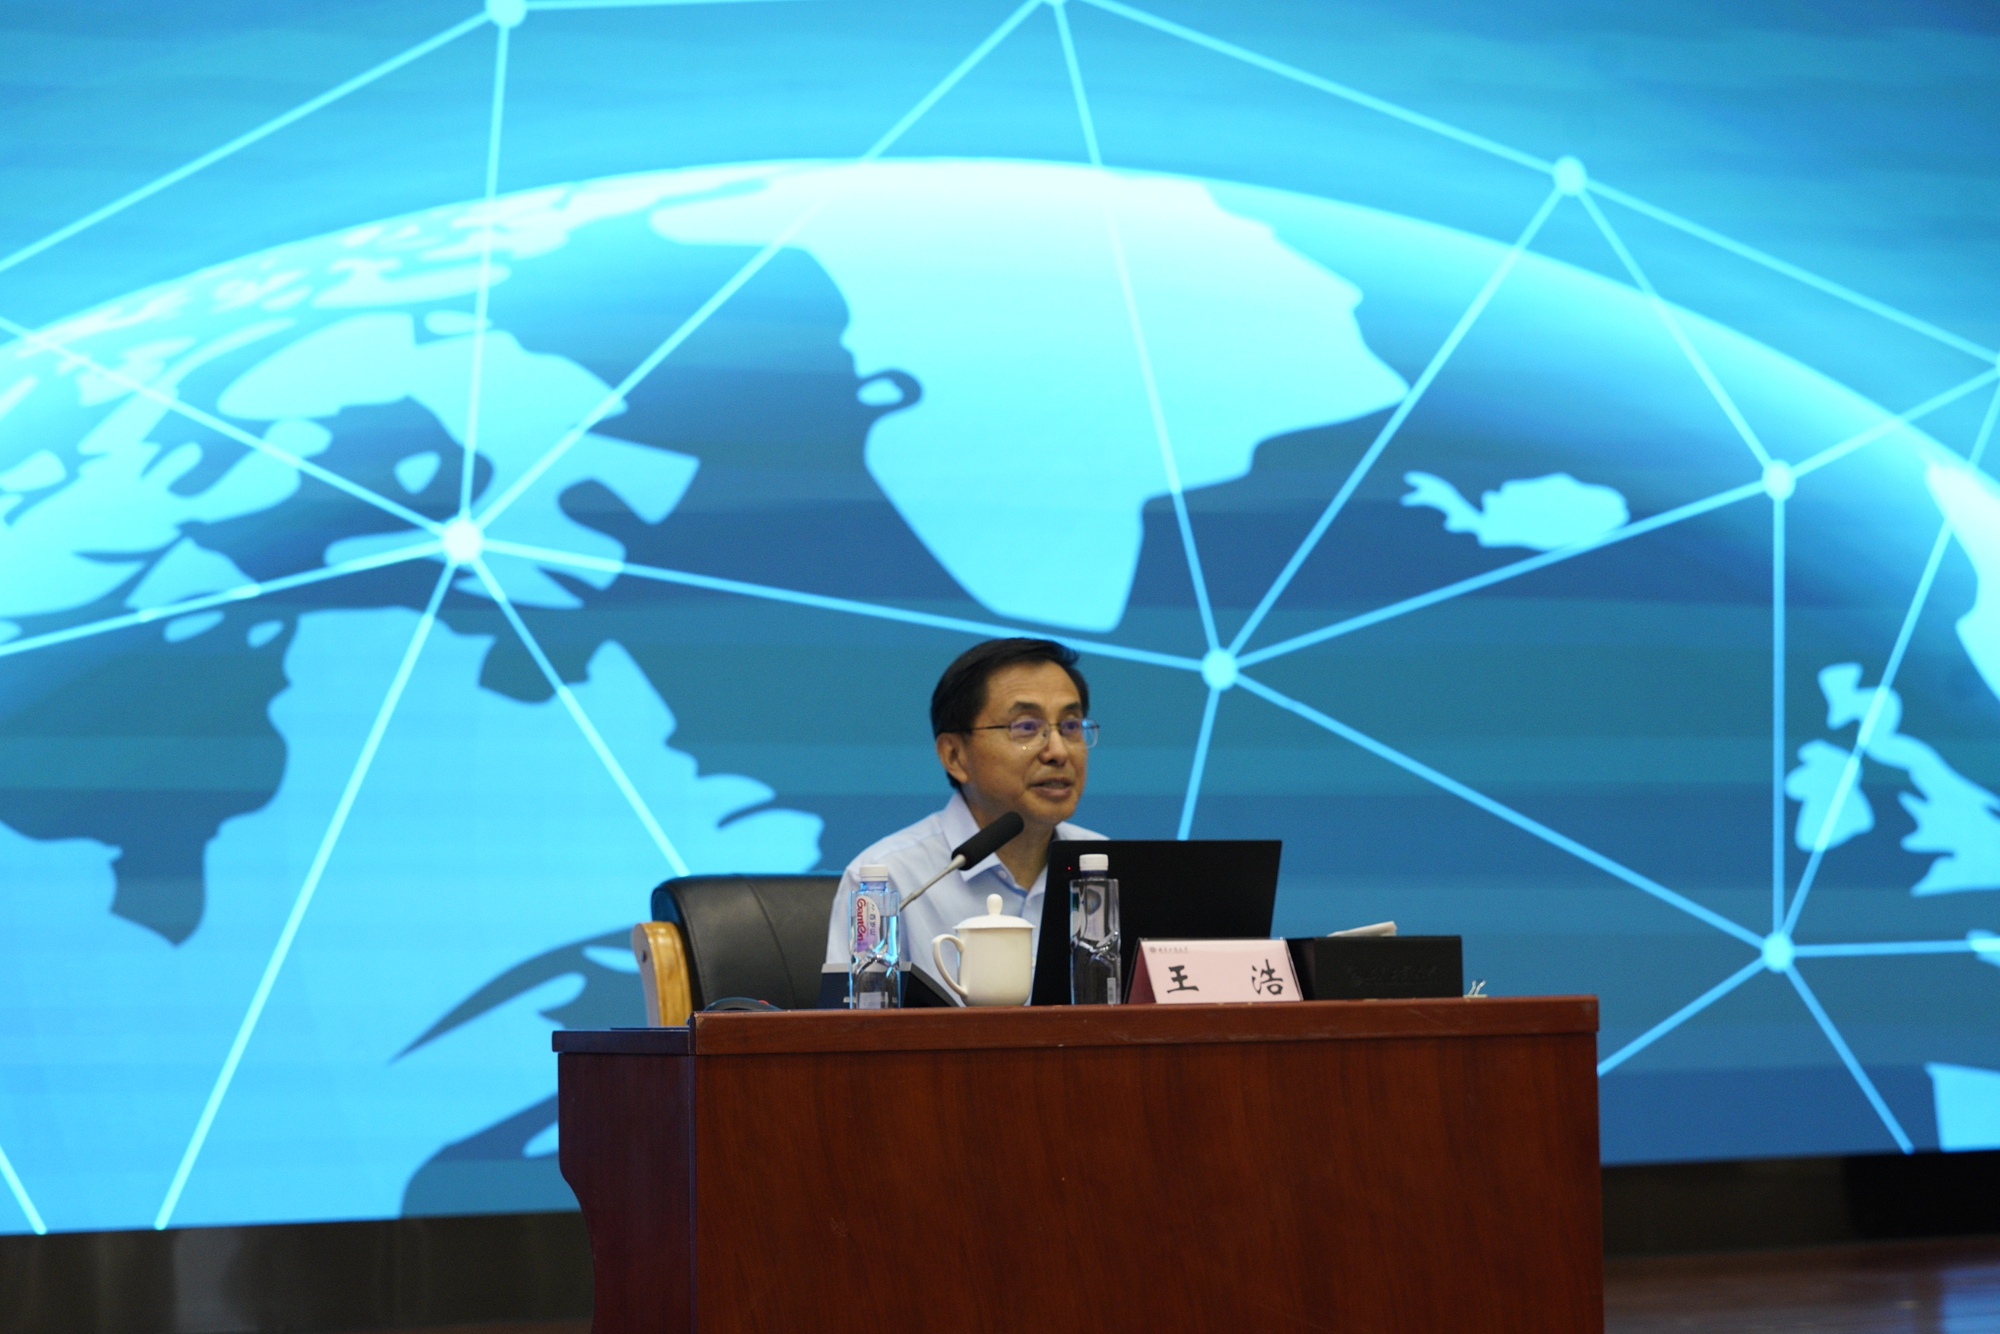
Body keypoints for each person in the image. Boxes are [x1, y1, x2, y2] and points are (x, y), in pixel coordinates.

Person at [820, 638, 1106, 1006]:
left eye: (1070, 726)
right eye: (1026, 727)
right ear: (954, 755)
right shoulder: (887, 883)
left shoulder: (1106, 871)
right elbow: (853, 1031)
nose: (1058, 751)